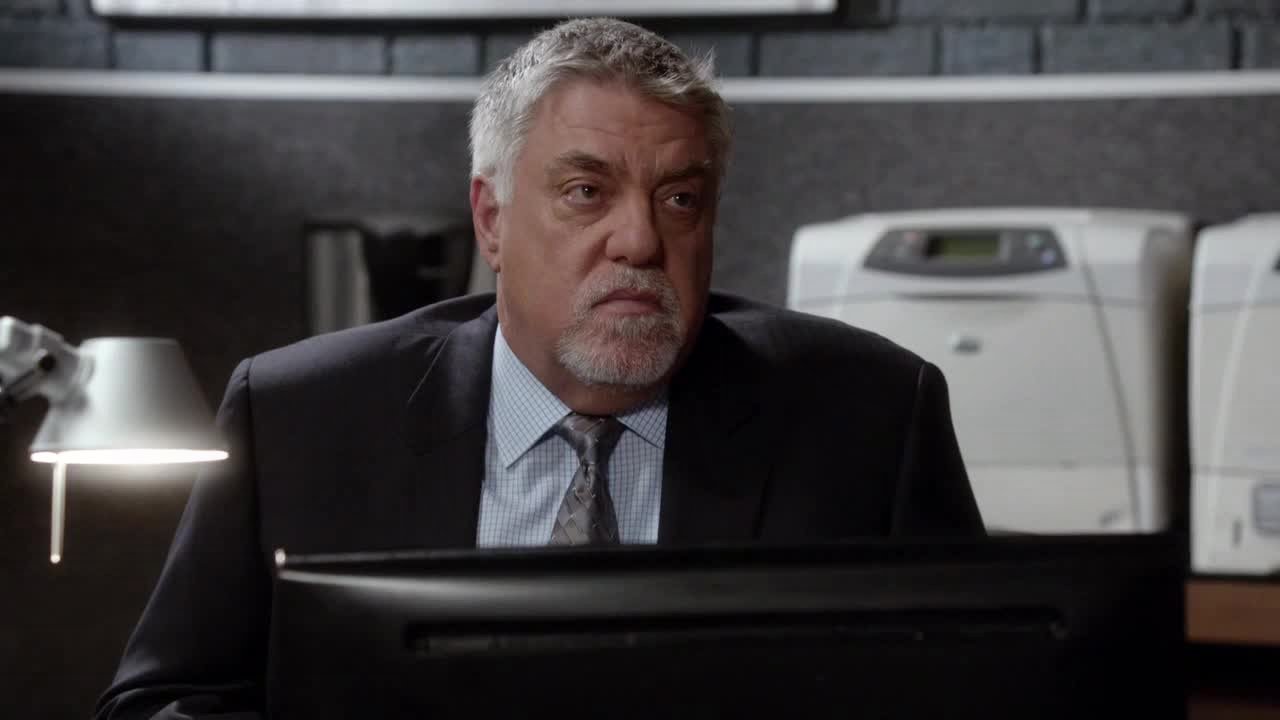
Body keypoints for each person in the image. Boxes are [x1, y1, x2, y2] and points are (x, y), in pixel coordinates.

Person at [94, 17, 983, 719]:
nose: (639, 240)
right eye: (586, 192)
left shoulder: (867, 419)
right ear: (492, 220)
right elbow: (164, 700)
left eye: (680, 198)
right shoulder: (302, 415)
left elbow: (982, 692)